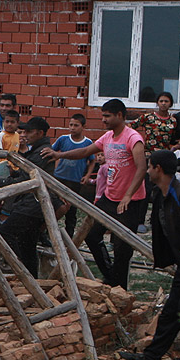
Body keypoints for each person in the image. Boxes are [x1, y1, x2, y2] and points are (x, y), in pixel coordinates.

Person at [120, 150, 180, 360]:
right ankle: (150, 359)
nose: (147, 170)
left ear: (158, 168)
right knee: (171, 312)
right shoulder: (161, 194)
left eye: (149, 166)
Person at [43, 99, 147, 288]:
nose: (103, 120)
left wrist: (128, 195)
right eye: (103, 116)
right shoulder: (107, 137)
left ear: (120, 116)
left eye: (107, 116)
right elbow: (84, 151)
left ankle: (120, 289)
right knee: (92, 236)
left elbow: (142, 168)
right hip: (109, 198)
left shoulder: (133, 138)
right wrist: (60, 155)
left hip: (131, 202)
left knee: (122, 248)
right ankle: (111, 276)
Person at [0, 117, 65, 276]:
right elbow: (24, 172)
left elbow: (28, 178)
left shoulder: (42, 152)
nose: (25, 134)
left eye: (29, 131)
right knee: (27, 243)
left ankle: (20, 267)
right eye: (24, 131)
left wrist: (2, 182)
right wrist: (13, 173)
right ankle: (32, 279)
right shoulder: (36, 150)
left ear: (40, 133)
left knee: (6, 232)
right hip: (34, 203)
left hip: (32, 204)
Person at [50, 113, 94, 235]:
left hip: (75, 180)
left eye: (76, 125)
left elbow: (92, 160)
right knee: (54, 206)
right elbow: (52, 153)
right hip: (59, 178)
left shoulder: (87, 143)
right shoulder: (63, 139)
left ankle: (69, 236)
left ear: (83, 127)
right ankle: (49, 232)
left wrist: (87, 175)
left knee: (71, 210)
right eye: (70, 125)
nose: (72, 128)